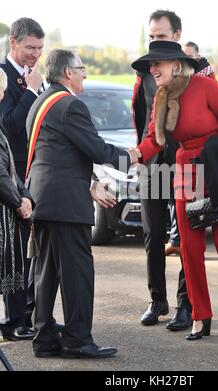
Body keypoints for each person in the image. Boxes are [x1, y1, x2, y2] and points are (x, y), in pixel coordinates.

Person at [131, 40, 218, 342]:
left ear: (175, 64)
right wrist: (135, 154)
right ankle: (200, 314)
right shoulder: (161, 97)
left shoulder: (205, 86)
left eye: (157, 63)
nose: (152, 69)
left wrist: (212, 150)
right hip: (186, 168)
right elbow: (154, 141)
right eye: (150, 65)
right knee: (189, 247)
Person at [26, 49, 138, 358]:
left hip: (44, 197)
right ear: (67, 74)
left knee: (46, 270)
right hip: (65, 203)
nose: (85, 73)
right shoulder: (69, 105)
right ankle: (77, 340)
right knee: (77, 272)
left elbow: (59, 154)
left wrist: (88, 183)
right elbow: (95, 148)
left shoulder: (41, 102)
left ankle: (45, 336)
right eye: (81, 68)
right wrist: (131, 157)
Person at [132, 10, 192, 331]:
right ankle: (158, 300)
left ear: (178, 35)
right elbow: (143, 119)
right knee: (153, 234)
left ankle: (186, 304)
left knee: (187, 237)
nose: (156, 42)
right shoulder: (144, 72)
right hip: (152, 166)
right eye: (152, 36)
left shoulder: (199, 69)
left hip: (188, 166)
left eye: (162, 36)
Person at [0, 17, 45, 341]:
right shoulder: (3, 78)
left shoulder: (37, 78)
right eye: (30, 47)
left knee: (32, 250)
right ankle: (16, 319)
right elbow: (12, 126)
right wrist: (30, 91)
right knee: (14, 253)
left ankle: (29, 314)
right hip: (11, 180)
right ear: (13, 43)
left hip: (33, 176)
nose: (36, 54)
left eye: (40, 48)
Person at [0, 68, 33, 319]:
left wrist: (25, 195)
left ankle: (16, 320)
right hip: (6, 207)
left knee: (16, 266)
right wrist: (18, 200)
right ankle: (13, 322)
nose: (2, 95)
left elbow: (10, 167)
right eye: (1, 90)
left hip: (13, 200)